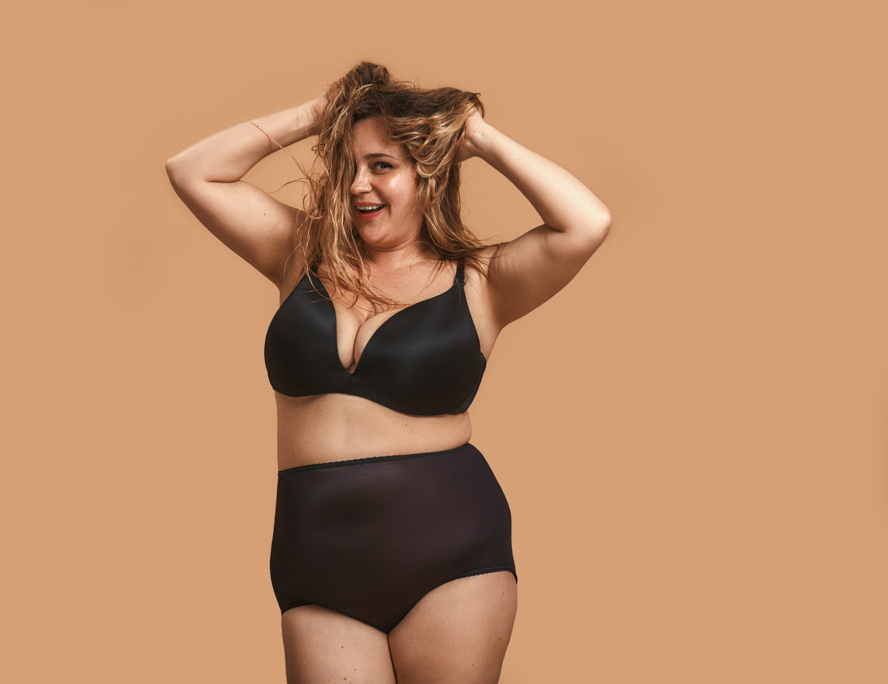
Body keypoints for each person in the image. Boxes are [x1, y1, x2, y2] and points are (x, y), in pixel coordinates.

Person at [165, 62, 611, 684]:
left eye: (382, 166)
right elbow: (192, 171)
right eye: (348, 166)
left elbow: (586, 223)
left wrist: (476, 135)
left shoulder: (482, 281)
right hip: (317, 564)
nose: (357, 186)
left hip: (451, 556)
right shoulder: (299, 253)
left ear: (429, 173)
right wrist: (319, 115)